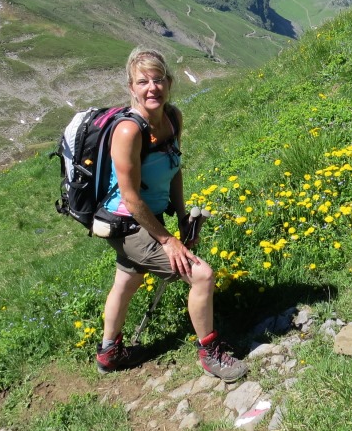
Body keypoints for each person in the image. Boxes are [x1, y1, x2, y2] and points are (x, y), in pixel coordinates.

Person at [95, 47, 248, 383]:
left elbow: (174, 168)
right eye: (143, 82)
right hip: (126, 222)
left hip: (149, 217)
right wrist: (167, 241)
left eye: (159, 79)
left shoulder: (173, 118)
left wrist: (181, 216)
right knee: (202, 275)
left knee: (128, 278)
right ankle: (210, 354)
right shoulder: (128, 132)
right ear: (131, 88)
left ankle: (109, 353)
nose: (152, 87)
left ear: (169, 82)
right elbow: (131, 198)